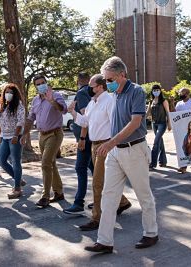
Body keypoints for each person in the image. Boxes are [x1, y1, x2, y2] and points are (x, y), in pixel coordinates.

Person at [85, 56, 158, 254]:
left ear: (122, 75)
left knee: (144, 195)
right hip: (115, 152)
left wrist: (110, 142)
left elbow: (135, 122)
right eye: (106, 80)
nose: (107, 83)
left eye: (110, 79)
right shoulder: (114, 94)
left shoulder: (136, 92)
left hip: (134, 149)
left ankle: (151, 233)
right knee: (109, 196)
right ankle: (105, 241)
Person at [68, 74, 132, 231]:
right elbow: (85, 122)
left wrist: (112, 145)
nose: (89, 89)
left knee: (97, 182)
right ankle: (122, 202)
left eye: (92, 86)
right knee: (103, 181)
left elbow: (116, 123)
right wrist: (73, 113)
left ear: (100, 86)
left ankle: (97, 218)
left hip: (105, 145)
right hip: (94, 145)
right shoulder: (92, 103)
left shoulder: (109, 101)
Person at [21, 74, 67, 207]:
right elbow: (30, 118)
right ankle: (59, 192)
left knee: (45, 163)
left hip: (55, 134)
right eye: (38, 84)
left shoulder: (56, 95)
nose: (41, 85)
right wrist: (24, 134)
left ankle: (45, 196)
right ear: (35, 87)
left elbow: (63, 110)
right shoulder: (35, 100)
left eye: (43, 82)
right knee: (51, 163)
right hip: (42, 135)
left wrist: (52, 101)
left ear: (46, 83)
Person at [63, 72, 94, 215]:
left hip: (85, 139)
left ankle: (78, 203)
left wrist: (82, 138)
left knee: (80, 168)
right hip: (90, 138)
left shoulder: (81, 93)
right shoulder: (92, 93)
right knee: (95, 170)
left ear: (78, 81)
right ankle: (107, 199)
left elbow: (85, 118)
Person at [0, 83, 26, 199]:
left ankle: (17, 188)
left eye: (11, 92)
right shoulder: (3, 106)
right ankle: (18, 179)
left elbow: (20, 121)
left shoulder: (18, 105)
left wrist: (15, 135)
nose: (8, 94)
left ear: (15, 94)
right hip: (5, 137)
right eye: (6, 92)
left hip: (15, 137)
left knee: (15, 161)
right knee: (1, 160)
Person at [174, 87, 191, 173]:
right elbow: (175, 115)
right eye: (180, 93)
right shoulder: (178, 104)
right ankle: (183, 166)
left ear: (187, 94)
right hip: (181, 128)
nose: (180, 94)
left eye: (182, 93)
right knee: (183, 146)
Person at [147, 84, 171, 170]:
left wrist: (169, 124)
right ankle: (163, 161)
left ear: (160, 91)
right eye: (154, 90)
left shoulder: (164, 101)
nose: (156, 92)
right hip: (154, 124)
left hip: (162, 124)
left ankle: (152, 164)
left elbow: (168, 113)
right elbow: (147, 113)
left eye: (157, 90)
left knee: (156, 142)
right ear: (152, 92)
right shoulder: (151, 101)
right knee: (160, 141)